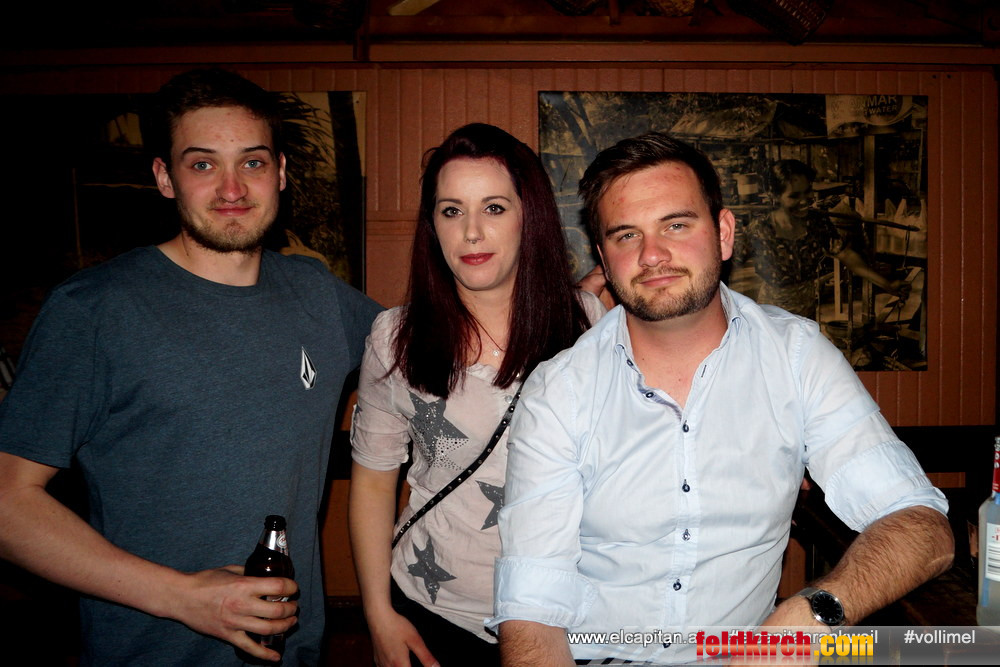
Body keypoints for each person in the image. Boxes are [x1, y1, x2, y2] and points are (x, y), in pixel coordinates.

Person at [488, 133, 953, 665]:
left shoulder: (795, 357)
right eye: (626, 235)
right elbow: (532, 606)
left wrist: (811, 614)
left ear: (724, 233)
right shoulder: (558, 390)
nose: (652, 254)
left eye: (676, 225)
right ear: (604, 259)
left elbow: (921, 523)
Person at [0, 68, 382, 665]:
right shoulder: (94, 310)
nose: (232, 188)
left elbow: (442, 342)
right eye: (203, 164)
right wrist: (183, 598)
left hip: (292, 653)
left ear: (281, 172)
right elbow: (7, 502)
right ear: (164, 177)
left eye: (252, 162)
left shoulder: (318, 295)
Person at [348, 123, 604, 667]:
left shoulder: (587, 324)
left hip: (559, 616)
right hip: (431, 610)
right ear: (432, 226)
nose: (471, 232)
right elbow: (372, 482)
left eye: (493, 208)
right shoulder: (395, 338)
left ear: (529, 217)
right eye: (451, 211)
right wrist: (377, 614)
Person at [733, 158, 910, 318]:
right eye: (794, 196)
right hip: (771, 318)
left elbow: (846, 255)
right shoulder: (760, 229)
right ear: (775, 196)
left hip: (807, 315)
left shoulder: (816, 222)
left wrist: (886, 284)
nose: (805, 201)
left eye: (807, 192)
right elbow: (728, 265)